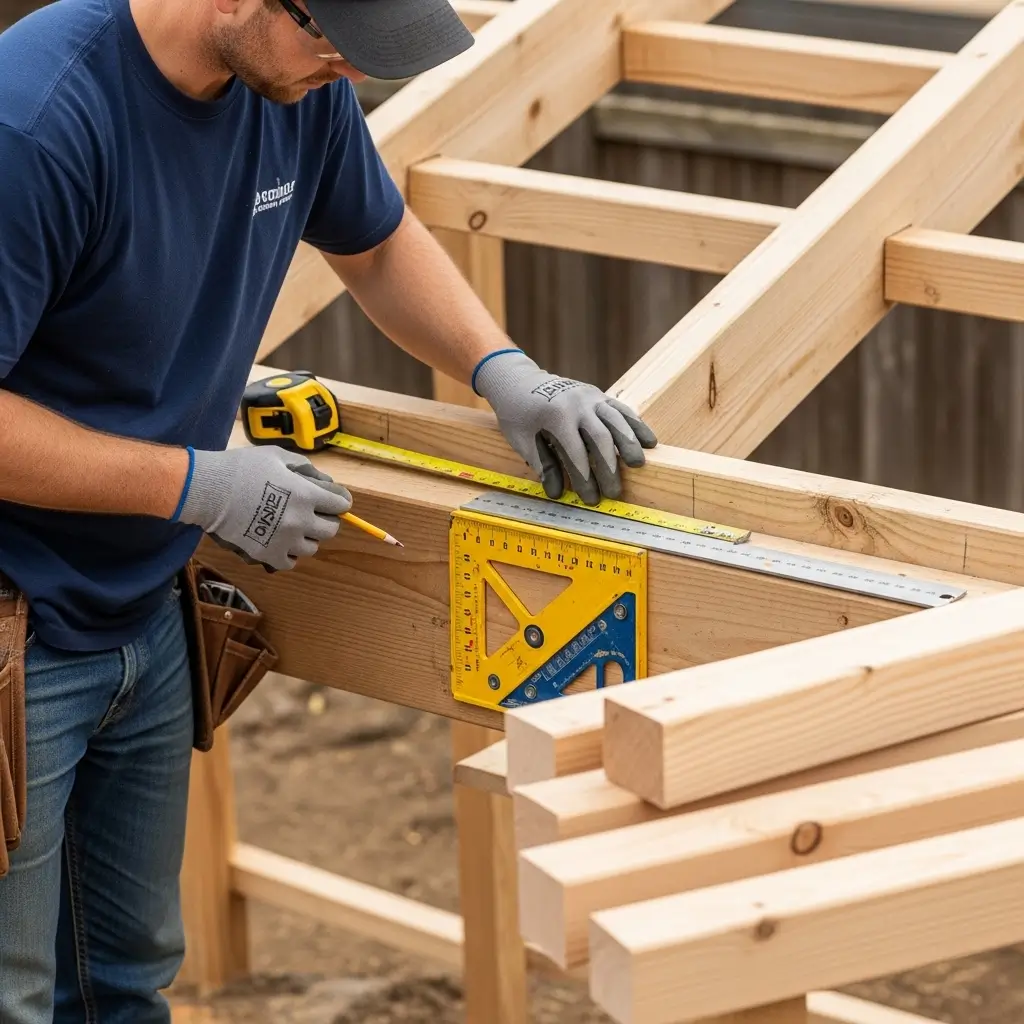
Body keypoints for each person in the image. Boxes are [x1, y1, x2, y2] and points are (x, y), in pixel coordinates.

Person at [0, 0, 659, 1018]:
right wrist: (201, 484)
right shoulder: (36, 120)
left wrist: (504, 370)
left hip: (138, 611)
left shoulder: (294, 86)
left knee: (126, 980)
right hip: (16, 629)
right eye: (335, 44)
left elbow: (380, 242)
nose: (347, 75)